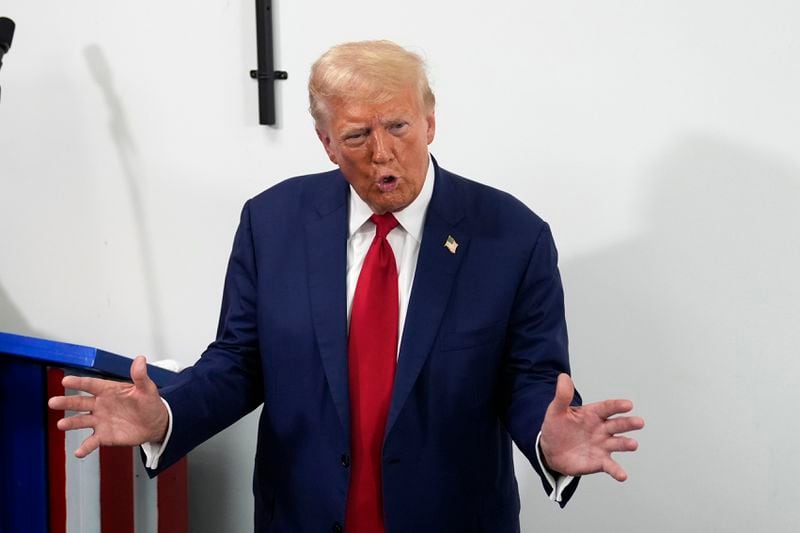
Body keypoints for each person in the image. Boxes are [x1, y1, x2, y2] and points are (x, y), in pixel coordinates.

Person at [49, 40, 644, 532]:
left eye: (399, 126)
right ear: (327, 142)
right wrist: (167, 416)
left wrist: (549, 435)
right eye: (357, 135)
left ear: (431, 122)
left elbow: (529, 377)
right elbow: (239, 360)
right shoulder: (272, 222)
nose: (383, 152)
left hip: (452, 516)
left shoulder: (512, 236)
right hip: (304, 516)